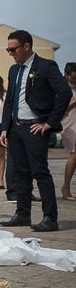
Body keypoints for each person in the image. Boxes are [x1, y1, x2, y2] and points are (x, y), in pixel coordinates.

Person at [0, 30, 71, 232]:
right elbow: (9, 101)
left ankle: (50, 217)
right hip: (16, 128)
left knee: (40, 172)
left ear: (26, 46)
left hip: (35, 128)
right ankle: (22, 214)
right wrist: (5, 128)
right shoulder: (14, 70)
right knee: (20, 173)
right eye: (8, 49)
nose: (11, 53)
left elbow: (64, 92)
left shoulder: (46, 66)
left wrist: (49, 122)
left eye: (13, 49)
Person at [60, 62, 76, 200]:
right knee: (74, 154)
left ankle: (66, 187)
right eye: (73, 78)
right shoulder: (62, 88)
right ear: (67, 74)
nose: (75, 80)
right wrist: (73, 103)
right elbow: (59, 110)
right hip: (68, 124)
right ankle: (66, 188)